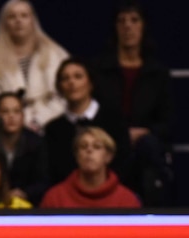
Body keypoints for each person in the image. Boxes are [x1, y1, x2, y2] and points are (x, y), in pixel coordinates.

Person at [91, 0, 175, 207]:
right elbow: (93, 114)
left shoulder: (157, 72)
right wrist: (121, 134)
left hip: (146, 147)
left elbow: (168, 121)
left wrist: (143, 132)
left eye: (134, 20)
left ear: (143, 26)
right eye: (122, 21)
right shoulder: (99, 69)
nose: (128, 26)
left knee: (150, 149)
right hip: (109, 144)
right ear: (115, 27)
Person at [0, 0, 69, 136]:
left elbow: (64, 96)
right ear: (4, 23)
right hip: (2, 132)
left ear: (33, 20)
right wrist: (15, 120)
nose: (18, 21)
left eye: (24, 15)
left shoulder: (56, 54)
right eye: (12, 17)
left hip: (51, 128)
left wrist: (38, 120)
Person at [43, 56, 131, 188]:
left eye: (78, 76)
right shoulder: (53, 129)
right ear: (60, 87)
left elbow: (125, 166)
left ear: (90, 83)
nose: (71, 82)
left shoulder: (114, 121)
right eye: (65, 78)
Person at [0, 89, 49, 205]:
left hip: (29, 206)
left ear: (23, 115)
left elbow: (44, 181)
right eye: (5, 111)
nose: (11, 116)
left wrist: (25, 193)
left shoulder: (37, 142)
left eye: (16, 111)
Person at [40, 125, 141, 208]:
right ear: (76, 155)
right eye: (83, 146)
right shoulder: (55, 198)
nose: (89, 150)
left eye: (97, 147)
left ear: (108, 156)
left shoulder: (127, 200)